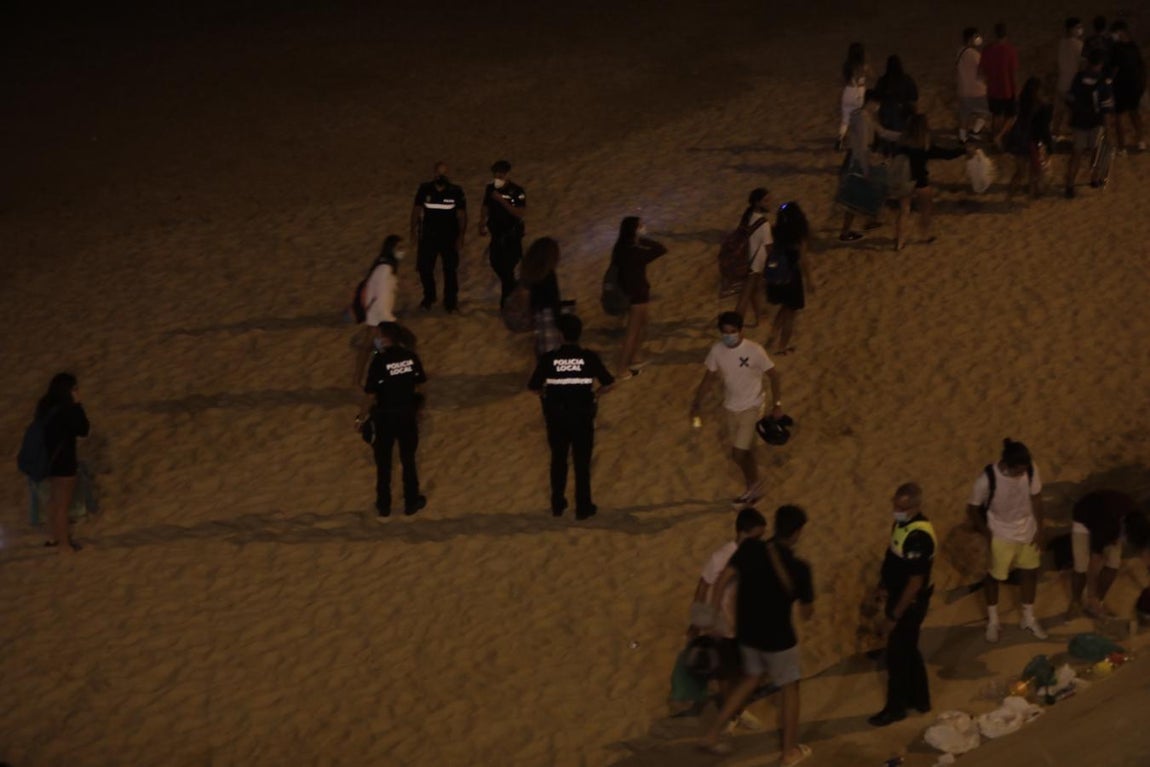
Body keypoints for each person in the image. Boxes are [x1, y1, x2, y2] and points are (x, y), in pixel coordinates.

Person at [698, 505, 814, 765]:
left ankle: (713, 733)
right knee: (790, 689)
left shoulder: (750, 549)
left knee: (751, 678)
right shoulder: (799, 569)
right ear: (797, 533)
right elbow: (806, 612)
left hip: (747, 635)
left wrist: (713, 614)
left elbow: (723, 579)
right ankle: (789, 752)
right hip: (779, 641)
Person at [687, 507, 769, 732]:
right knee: (726, 674)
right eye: (756, 536)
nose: (759, 542)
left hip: (743, 625)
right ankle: (733, 713)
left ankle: (735, 710)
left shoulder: (755, 556)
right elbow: (703, 586)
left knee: (743, 672)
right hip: (722, 627)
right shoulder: (721, 557)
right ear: (743, 533)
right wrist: (697, 620)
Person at [689, 312, 783, 505]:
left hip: (752, 407)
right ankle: (754, 486)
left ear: (741, 331)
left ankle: (753, 487)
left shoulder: (754, 350)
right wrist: (696, 404)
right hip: (731, 407)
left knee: (738, 453)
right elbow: (708, 378)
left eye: (732, 332)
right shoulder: (717, 351)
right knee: (744, 451)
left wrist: (777, 405)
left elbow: (774, 376)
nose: (728, 336)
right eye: (725, 332)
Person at [527, 314, 615, 520]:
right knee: (582, 462)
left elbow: (533, 387)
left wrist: (546, 395)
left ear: (560, 335)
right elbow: (609, 383)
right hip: (582, 416)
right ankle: (583, 507)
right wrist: (596, 394)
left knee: (558, 459)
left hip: (556, 416)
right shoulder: (589, 357)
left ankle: (557, 503)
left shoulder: (549, 359)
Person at [966, 439, 1047, 642]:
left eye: (1024, 470)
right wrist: (986, 533)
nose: (1022, 474)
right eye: (1018, 471)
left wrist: (1040, 529)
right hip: (1000, 532)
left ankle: (1028, 618)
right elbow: (973, 508)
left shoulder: (1030, 469)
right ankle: (993, 621)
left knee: (1029, 573)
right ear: (1007, 465)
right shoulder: (986, 479)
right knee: (995, 577)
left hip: (1027, 529)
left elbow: (1037, 497)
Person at [868, 483, 935, 727]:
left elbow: (914, 583)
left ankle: (895, 708)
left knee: (896, 657)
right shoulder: (902, 525)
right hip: (898, 596)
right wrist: (882, 586)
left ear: (916, 507)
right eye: (895, 505)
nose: (897, 511)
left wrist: (893, 617)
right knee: (908, 649)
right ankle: (920, 699)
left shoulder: (919, 538)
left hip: (909, 604)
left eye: (902, 508)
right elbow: (893, 556)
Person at [356, 322, 428, 518]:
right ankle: (411, 502)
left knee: (384, 463)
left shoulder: (379, 361)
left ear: (385, 338)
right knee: (408, 459)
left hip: (384, 417)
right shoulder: (411, 357)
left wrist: (360, 418)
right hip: (407, 414)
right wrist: (420, 409)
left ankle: (384, 505)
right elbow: (421, 386)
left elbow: (370, 394)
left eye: (378, 336)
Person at [894, 114, 968, 250]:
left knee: (904, 211)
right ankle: (925, 235)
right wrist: (964, 151)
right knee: (926, 210)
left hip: (904, 180)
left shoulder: (902, 144)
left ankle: (900, 241)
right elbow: (947, 154)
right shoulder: (924, 145)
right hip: (921, 181)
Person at [838, 90, 901, 242]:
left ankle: (868, 221)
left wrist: (903, 136)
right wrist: (865, 169)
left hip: (859, 159)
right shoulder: (863, 119)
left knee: (859, 197)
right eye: (877, 103)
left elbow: (883, 132)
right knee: (855, 199)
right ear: (872, 102)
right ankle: (847, 231)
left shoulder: (863, 116)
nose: (878, 107)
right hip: (860, 161)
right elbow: (862, 147)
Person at [37, 373, 90, 551]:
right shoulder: (68, 409)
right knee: (63, 504)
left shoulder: (45, 405)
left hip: (48, 459)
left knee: (54, 500)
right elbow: (83, 429)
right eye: (75, 388)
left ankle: (54, 537)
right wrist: (78, 405)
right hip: (65, 459)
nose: (77, 391)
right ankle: (64, 544)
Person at [1067, 490, 1139, 619]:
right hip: (1084, 517)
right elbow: (1093, 566)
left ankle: (1098, 603)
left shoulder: (1136, 519)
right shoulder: (1105, 526)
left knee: (1113, 565)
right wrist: (1091, 595)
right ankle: (1076, 603)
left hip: (1110, 519)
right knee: (1081, 566)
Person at [611, 216, 667, 379]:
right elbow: (660, 249)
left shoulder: (620, 247)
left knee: (641, 326)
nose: (644, 228)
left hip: (633, 292)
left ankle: (635, 358)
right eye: (640, 226)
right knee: (633, 333)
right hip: (638, 294)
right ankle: (622, 369)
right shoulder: (634, 251)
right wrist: (643, 240)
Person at [411, 161, 467, 312]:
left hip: (449, 236)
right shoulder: (425, 189)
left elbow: (462, 215)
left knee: (450, 269)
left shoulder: (456, 191)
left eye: (444, 172)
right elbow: (416, 210)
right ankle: (429, 297)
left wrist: (461, 236)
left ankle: (451, 302)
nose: (441, 175)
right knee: (424, 268)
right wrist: (413, 231)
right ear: (434, 173)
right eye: (438, 172)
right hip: (428, 236)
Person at [353, 236, 406, 387]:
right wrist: (388, 320)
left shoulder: (385, 266)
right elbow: (382, 296)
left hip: (376, 316)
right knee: (384, 349)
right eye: (399, 248)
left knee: (370, 348)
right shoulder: (385, 269)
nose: (403, 251)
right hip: (379, 317)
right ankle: (371, 380)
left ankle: (358, 379)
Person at [1064, 49, 1115, 198]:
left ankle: (1070, 185)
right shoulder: (1103, 83)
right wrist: (1108, 131)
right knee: (1097, 152)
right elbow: (1105, 109)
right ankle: (1094, 178)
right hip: (1095, 122)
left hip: (1079, 121)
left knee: (1076, 154)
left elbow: (1070, 99)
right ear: (1100, 64)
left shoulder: (1078, 77)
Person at [765, 202, 814, 355]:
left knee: (784, 307)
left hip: (777, 275)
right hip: (792, 277)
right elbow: (803, 259)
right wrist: (809, 280)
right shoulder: (799, 234)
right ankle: (782, 346)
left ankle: (773, 333)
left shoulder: (775, 231)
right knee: (791, 313)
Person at [479, 160, 527, 306]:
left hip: (511, 236)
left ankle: (506, 303)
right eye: (496, 173)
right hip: (496, 234)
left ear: (507, 174)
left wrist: (501, 201)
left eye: (501, 174)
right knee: (495, 262)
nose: (498, 176)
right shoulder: (490, 189)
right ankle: (513, 288)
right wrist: (482, 222)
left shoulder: (517, 191)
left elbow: (520, 213)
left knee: (507, 268)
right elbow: (485, 206)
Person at [997, 77, 1055, 198]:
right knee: (1032, 169)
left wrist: (1001, 135)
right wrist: (1049, 144)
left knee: (1021, 171)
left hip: (1018, 139)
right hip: (1030, 140)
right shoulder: (1041, 107)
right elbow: (1044, 129)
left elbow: (1011, 120)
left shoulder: (1020, 103)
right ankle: (1030, 192)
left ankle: (1013, 194)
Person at [520, 236, 565, 357]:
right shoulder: (548, 276)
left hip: (536, 316)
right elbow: (553, 302)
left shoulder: (528, 273)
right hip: (547, 317)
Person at [734, 188, 773, 327]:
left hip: (747, 260)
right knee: (745, 297)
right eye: (766, 201)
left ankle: (758, 318)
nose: (770, 203)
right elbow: (769, 247)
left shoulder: (748, 216)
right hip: (755, 264)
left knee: (754, 291)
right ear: (757, 203)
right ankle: (735, 326)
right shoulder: (764, 224)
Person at [1109, 22, 1146, 152]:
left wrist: (1108, 82)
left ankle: (1122, 147)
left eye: (1114, 32)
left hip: (1123, 86)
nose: (1113, 35)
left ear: (1121, 31)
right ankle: (1139, 141)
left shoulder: (1117, 48)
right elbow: (1141, 66)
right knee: (1133, 113)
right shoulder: (1133, 47)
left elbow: (1114, 68)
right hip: (1132, 85)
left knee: (1120, 116)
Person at [979, 23, 1019, 138]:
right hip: (1007, 89)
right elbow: (1013, 73)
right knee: (1011, 115)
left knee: (996, 115)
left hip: (993, 88)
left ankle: (995, 135)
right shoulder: (1010, 50)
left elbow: (982, 70)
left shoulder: (987, 50)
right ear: (1006, 35)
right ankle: (1000, 136)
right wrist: (1015, 89)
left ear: (994, 34)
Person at [956, 27, 990, 143]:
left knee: (964, 115)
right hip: (976, 91)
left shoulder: (960, 52)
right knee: (986, 111)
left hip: (962, 90)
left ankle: (962, 138)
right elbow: (983, 70)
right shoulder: (974, 54)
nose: (978, 39)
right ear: (971, 38)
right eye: (976, 36)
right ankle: (975, 132)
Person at [874, 54, 919, 139]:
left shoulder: (883, 80)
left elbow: (876, 97)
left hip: (886, 115)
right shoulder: (906, 79)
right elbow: (914, 97)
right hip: (902, 114)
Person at [1054, 17, 1085, 135]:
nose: (1080, 30)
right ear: (1071, 29)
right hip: (1073, 84)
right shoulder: (1079, 45)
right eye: (1078, 27)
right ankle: (1073, 137)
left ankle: (1054, 135)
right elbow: (1081, 65)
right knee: (1073, 112)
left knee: (1059, 112)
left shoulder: (1061, 43)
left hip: (1061, 83)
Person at [838, 42, 869, 150]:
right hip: (859, 92)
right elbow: (869, 76)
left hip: (848, 91)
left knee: (845, 119)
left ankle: (840, 139)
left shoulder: (846, 66)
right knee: (860, 117)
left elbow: (842, 80)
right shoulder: (863, 66)